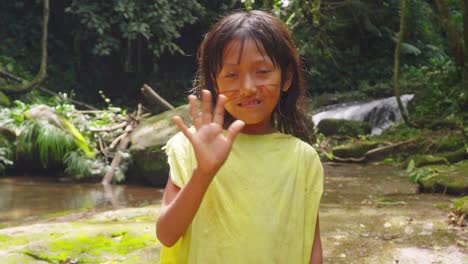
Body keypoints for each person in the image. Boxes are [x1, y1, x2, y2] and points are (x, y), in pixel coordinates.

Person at [156, 10, 324, 264]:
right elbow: (166, 235)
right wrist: (203, 173)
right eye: (232, 75)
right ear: (215, 82)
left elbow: (311, 250)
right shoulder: (192, 146)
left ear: (286, 77)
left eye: (262, 71)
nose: (247, 87)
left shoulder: (303, 158)